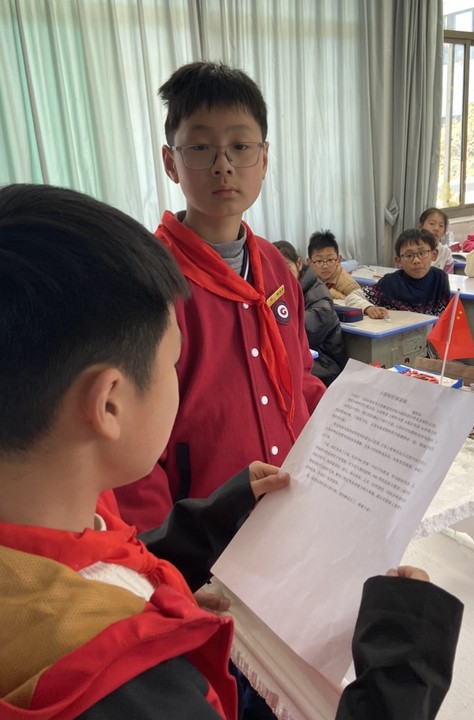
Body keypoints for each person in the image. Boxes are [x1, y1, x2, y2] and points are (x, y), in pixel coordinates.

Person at [0, 183, 464, 720]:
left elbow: (105, 559)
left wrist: (210, 525)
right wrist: (405, 665)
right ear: (109, 404)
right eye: (172, 363)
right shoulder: (126, 682)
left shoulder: (60, 518)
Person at [115, 62, 326, 533]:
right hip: (202, 539)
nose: (223, 164)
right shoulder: (147, 283)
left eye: (240, 146)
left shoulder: (275, 267)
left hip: (291, 514)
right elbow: (130, 453)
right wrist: (163, 553)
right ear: (171, 162)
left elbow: (301, 379)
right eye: (201, 147)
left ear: (264, 159)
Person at [274, 240, 347, 386]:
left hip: (325, 364)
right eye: (274, 269)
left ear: (299, 264)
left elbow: (299, 334)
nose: (280, 274)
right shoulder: (278, 292)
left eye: (286, 267)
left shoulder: (319, 296)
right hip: (301, 359)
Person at [363, 229, 451, 315]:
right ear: (399, 261)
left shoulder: (440, 278)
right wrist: (368, 308)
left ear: (434, 254)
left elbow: (445, 313)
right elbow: (357, 296)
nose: (416, 260)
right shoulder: (389, 282)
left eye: (422, 253)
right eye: (409, 256)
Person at [307, 229, 389, 319]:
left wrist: (329, 292)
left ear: (338, 260)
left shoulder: (346, 281)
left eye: (330, 260)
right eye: (319, 261)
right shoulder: (307, 277)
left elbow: (359, 300)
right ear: (309, 262)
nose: (325, 266)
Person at [418, 207, 454, 273]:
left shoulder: (446, 253)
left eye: (441, 226)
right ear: (421, 226)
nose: (436, 228)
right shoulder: (411, 248)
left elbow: (449, 277)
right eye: (432, 224)